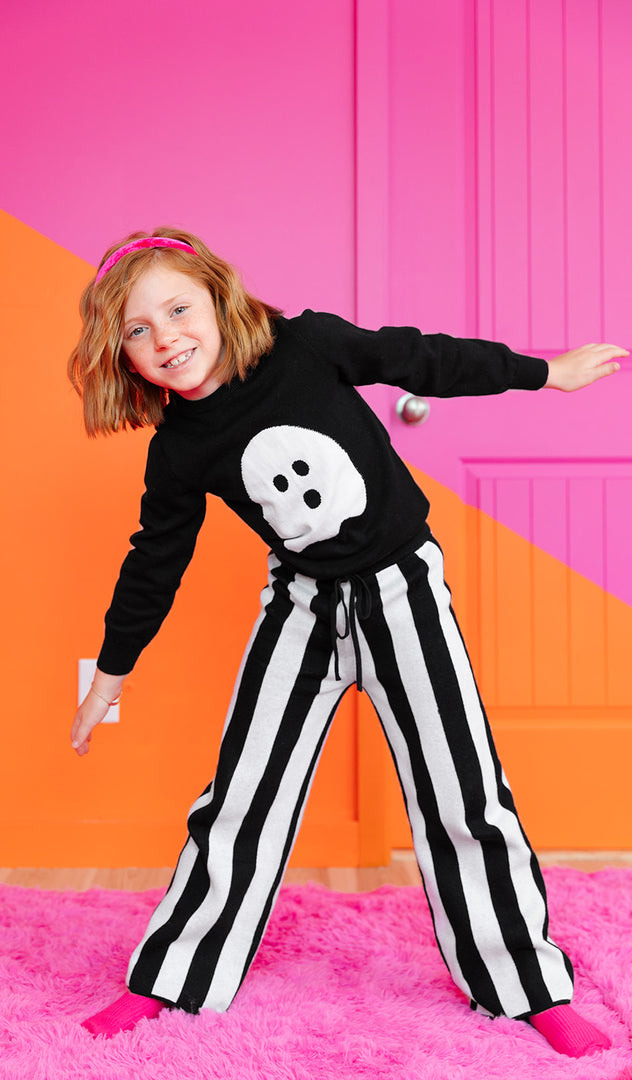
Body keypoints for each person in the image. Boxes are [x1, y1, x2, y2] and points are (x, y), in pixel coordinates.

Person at [68, 229, 625, 1056]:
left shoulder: (306, 346)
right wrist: (109, 675)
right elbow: (155, 561)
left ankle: (526, 985)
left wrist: (544, 372)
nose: (165, 338)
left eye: (177, 310)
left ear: (219, 298)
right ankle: (173, 979)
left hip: (404, 593)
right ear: (122, 356)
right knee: (240, 803)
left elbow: (422, 359)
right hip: (299, 609)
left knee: (464, 795)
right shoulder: (179, 448)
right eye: (138, 331)